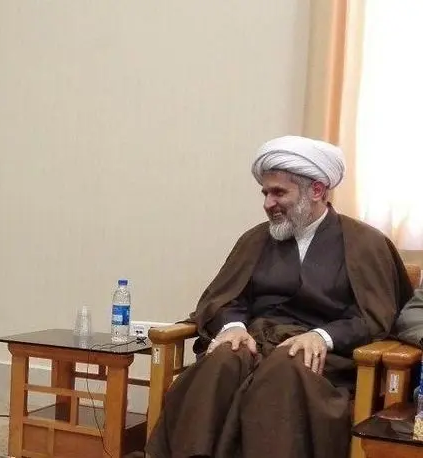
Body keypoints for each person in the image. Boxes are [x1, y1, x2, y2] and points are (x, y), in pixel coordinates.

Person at [145, 135, 415, 458]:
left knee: (284, 367)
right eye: (265, 193)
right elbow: (225, 297)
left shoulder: (365, 243)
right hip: (256, 342)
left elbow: (374, 316)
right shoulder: (255, 240)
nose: (267, 203)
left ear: (317, 191)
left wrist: (322, 336)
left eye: (279, 193)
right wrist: (233, 327)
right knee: (223, 358)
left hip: (324, 360)